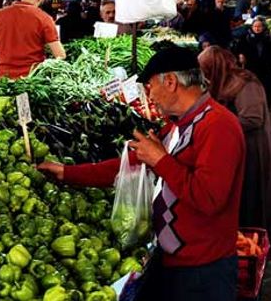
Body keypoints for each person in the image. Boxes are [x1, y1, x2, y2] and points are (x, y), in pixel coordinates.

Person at [38, 47, 245, 301]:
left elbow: (210, 199)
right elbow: (128, 166)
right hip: (172, 259)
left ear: (170, 82)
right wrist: (65, 173)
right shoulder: (178, 124)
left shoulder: (219, 126)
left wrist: (161, 161)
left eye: (149, 86)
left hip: (203, 269)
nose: (148, 95)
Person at [199, 45, 271, 260]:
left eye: (206, 70)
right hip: (239, 147)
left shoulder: (246, 83)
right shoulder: (225, 81)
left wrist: (218, 125)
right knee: (242, 199)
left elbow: (253, 118)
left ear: (216, 67)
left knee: (253, 200)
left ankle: (254, 254)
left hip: (254, 150)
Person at [234, 17, 271, 105]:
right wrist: (240, 55)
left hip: (265, 69)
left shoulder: (269, 37)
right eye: (254, 26)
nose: (257, 29)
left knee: (265, 90)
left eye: (259, 26)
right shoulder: (246, 37)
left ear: (264, 27)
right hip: (251, 68)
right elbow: (238, 49)